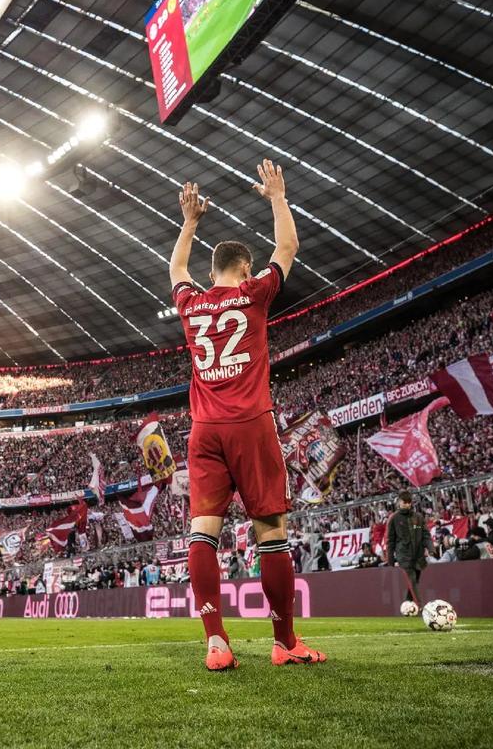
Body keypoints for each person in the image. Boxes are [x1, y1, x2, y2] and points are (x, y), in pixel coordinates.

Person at [170, 162, 325, 671]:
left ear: (211, 273)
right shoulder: (253, 294)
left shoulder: (192, 304)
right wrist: (277, 197)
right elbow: (288, 247)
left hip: (204, 431)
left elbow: (176, 271)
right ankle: (285, 642)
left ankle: (216, 641)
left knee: (203, 534)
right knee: (271, 532)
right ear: (244, 270)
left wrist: (189, 222)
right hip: (252, 423)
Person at [387, 491, 432, 601]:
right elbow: (390, 540)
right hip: (403, 555)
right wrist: (390, 558)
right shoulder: (394, 518)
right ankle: (420, 606)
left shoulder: (418, 517)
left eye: (409, 502)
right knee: (412, 580)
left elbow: (425, 534)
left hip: (418, 554)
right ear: (399, 502)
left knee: (415, 579)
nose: (407, 505)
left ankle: (408, 603)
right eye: (404, 502)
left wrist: (430, 548)